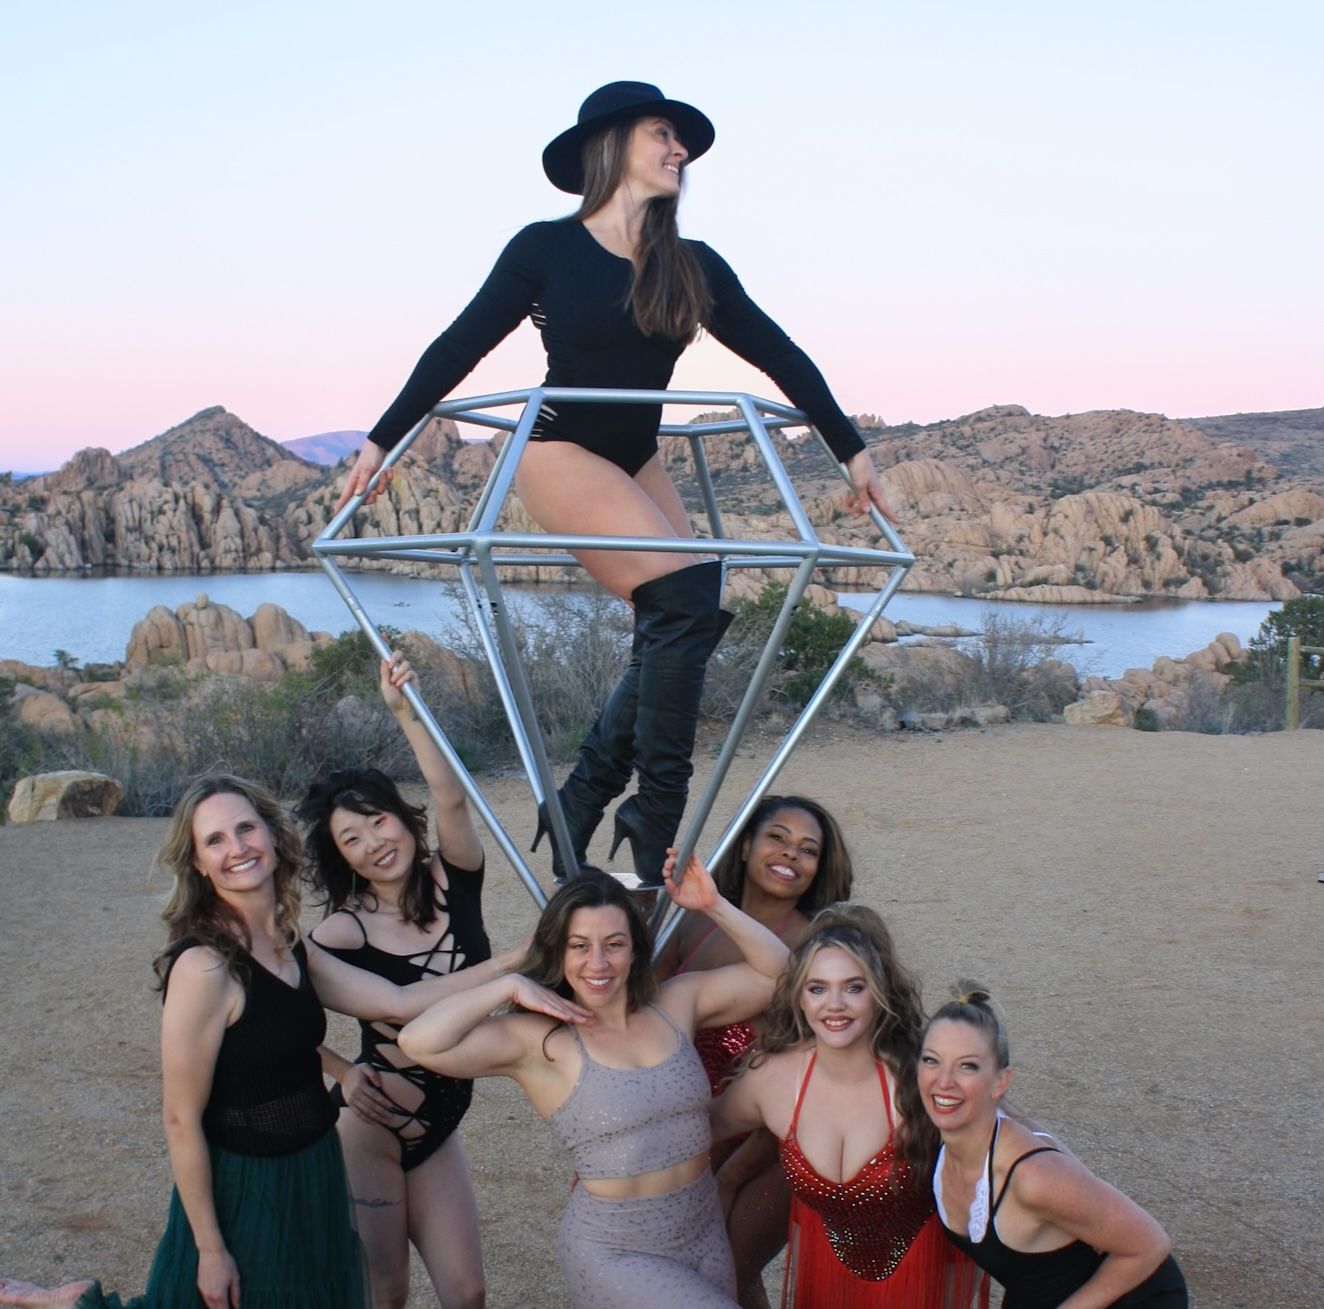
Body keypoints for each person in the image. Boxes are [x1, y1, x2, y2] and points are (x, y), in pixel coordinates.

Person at [337, 80, 895, 889]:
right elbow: (457, 345)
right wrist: (382, 440)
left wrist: (852, 450)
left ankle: (590, 794)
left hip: (635, 457)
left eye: (684, 144)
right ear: (613, 144)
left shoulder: (691, 267)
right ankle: (654, 815)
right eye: (664, 134)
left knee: (691, 606)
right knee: (681, 602)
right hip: (559, 448)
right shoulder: (545, 248)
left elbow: (779, 351)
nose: (680, 152)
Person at [0, 774, 524, 1309]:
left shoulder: (290, 943)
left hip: (315, 1166)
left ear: (273, 837)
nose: (238, 849)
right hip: (249, 1184)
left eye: (246, 828)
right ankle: (70, 1303)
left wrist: (507, 966)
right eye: (216, 840)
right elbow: (180, 1118)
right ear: (199, 864)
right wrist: (209, 1248)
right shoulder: (205, 966)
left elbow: (397, 1001)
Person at [394, 854, 794, 1308]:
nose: (598, 963)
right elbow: (418, 1041)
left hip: (701, 1229)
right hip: (616, 1249)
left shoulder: (676, 1002)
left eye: (614, 944)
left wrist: (713, 904)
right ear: (557, 950)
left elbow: (779, 975)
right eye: (579, 945)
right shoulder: (542, 1040)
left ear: (635, 949)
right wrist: (507, 984)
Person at [301, 652, 489, 1309]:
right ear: (341, 858)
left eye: (378, 818)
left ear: (402, 817)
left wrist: (406, 712)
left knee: (467, 1293)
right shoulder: (342, 933)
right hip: (372, 1127)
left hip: (442, 1123)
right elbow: (274, 1014)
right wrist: (338, 1068)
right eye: (350, 839)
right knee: (385, 1296)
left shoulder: (454, 875)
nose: (373, 841)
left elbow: (453, 796)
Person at [711, 905, 986, 1308]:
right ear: (798, 997)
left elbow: (1013, 1145)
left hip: (921, 1278)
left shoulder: (922, 1077)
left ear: (879, 993)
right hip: (825, 1278)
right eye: (817, 988)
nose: (834, 1004)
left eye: (853, 987)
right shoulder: (772, 1079)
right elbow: (694, 1130)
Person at [655, 795, 853, 1307]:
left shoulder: (818, 948)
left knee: (725, 1271)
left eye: (808, 850)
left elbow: (809, 1084)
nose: (791, 855)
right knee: (692, 1275)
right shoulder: (688, 923)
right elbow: (642, 1021)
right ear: (745, 845)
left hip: (777, 1142)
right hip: (691, 1130)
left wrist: (731, 1178)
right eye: (777, 837)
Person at [920, 984, 1188, 1308]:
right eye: (932, 1060)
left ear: (1000, 1082)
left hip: (1133, 1295)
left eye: (967, 1066)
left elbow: (1151, 1244)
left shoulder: (1030, 1177)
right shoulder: (941, 1144)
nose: (944, 1081)